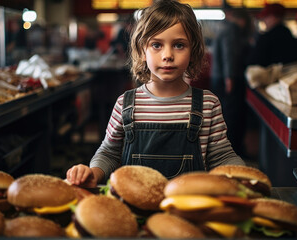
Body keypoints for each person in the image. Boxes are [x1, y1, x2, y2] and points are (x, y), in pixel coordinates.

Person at [66, 0, 245, 188]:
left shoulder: (208, 104)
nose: (167, 55)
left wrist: (244, 176)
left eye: (179, 45)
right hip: (135, 207)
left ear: (193, 51)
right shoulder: (125, 104)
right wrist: (93, 173)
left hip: (188, 208)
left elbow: (221, 155)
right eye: (157, 45)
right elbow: (109, 153)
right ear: (143, 50)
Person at [211, 6, 252, 156]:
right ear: (242, 20)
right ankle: (233, 150)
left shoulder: (224, 28)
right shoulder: (233, 29)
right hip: (228, 79)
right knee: (232, 116)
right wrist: (230, 78)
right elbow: (230, 55)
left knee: (226, 114)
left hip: (220, 77)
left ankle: (227, 150)